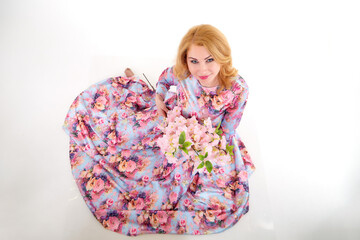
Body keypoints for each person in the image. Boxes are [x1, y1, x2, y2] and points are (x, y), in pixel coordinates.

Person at [63, 24, 255, 236]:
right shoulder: (183, 73)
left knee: (211, 192)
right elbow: (165, 79)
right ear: (186, 60)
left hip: (207, 137)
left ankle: (135, 80)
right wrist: (158, 98)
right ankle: (133, 82)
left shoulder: (238, 88)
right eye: (194, 61)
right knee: (122, 141)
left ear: (222, 56)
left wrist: (204, 149)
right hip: (172, 123)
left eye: (210, 60)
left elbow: (228, 130)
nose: (202, 69)